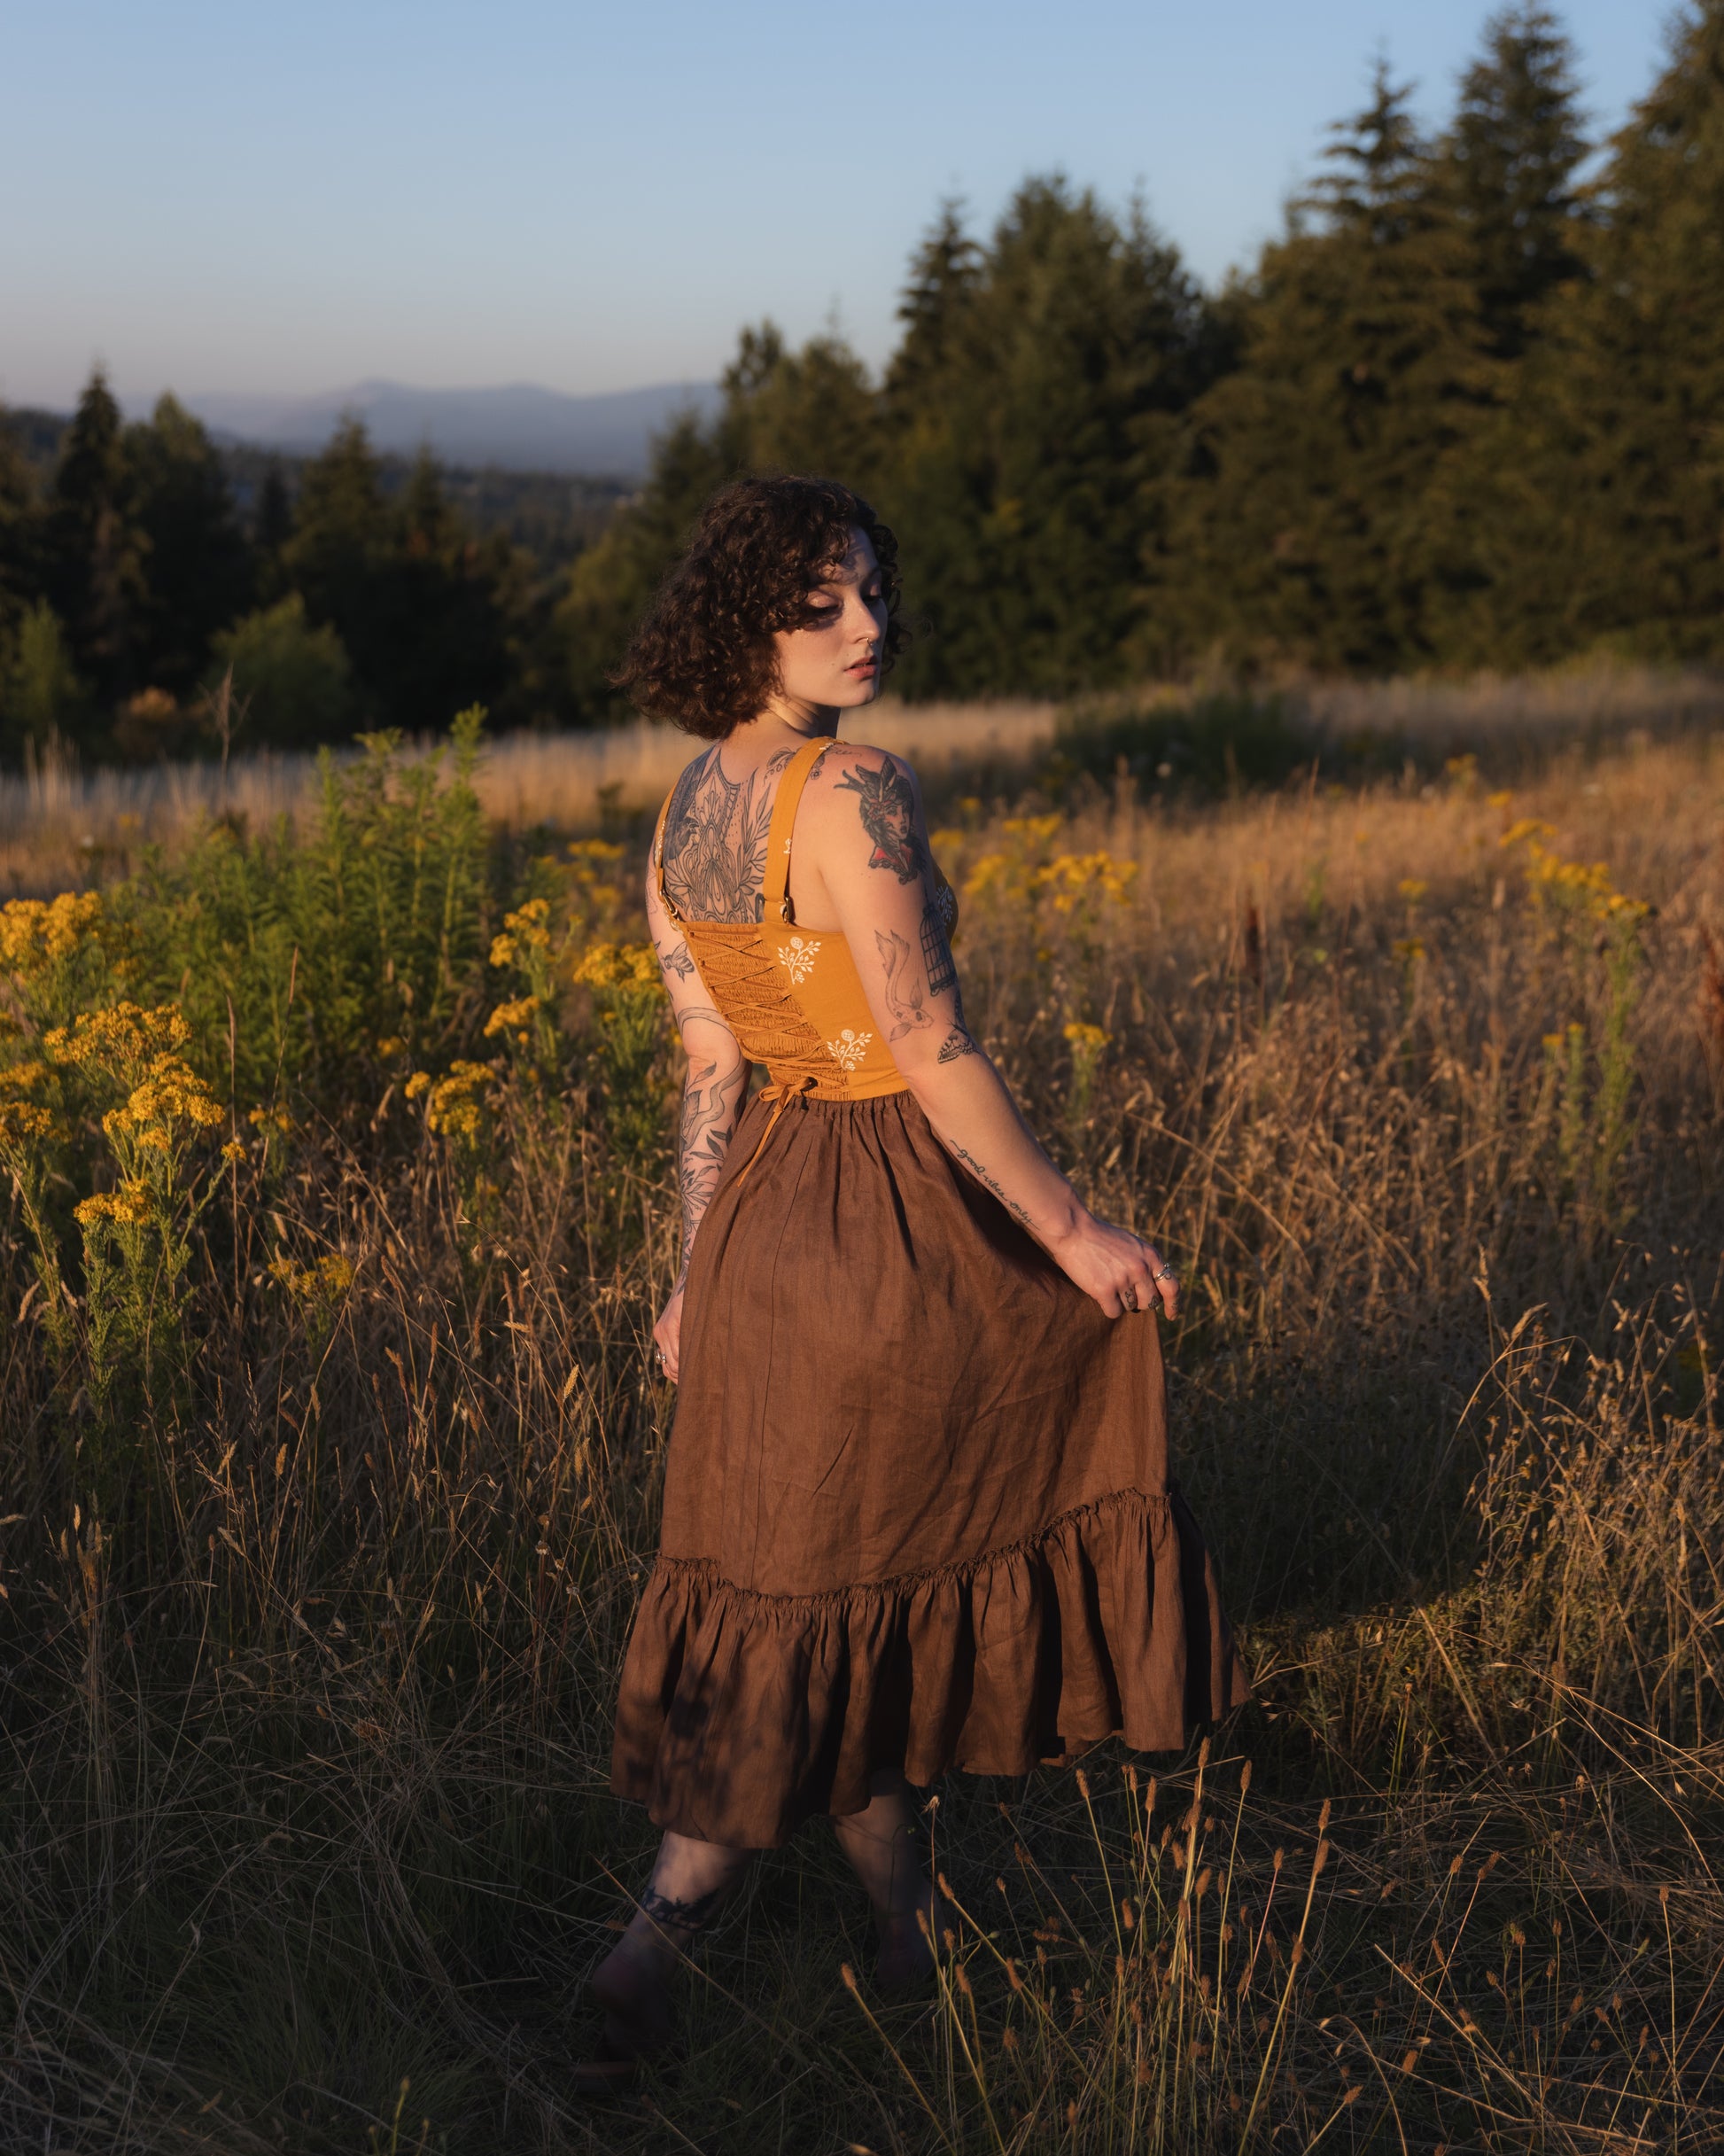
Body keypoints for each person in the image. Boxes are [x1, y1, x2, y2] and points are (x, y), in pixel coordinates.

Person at [586, 475, 1246, 2073]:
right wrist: (1069, 1228)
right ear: (744, 621)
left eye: (873, 588)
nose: (865, 624)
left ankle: (905, 1927)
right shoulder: (854, 788)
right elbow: (927, 1041)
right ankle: (648, 1944)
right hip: (883, 1219)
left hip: (762, 1226)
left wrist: (695, 1274)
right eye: (819, 601)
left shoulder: (682, 809)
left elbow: (709, 1067)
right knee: (847, 1581)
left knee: (828, 1586)